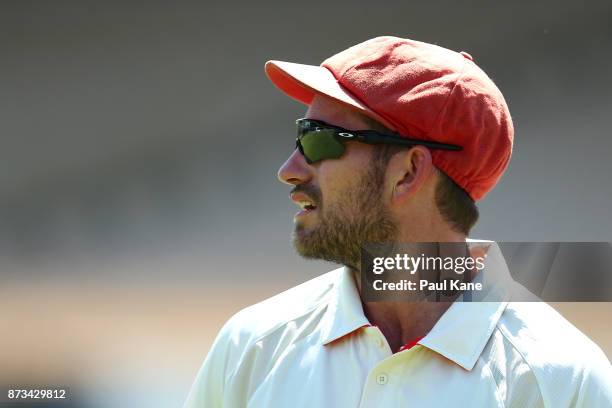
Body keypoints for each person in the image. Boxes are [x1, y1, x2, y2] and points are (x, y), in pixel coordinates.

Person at [184, 36, 611, 407]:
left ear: (408, 172)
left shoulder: (560, 380)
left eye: (319, 139)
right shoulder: (253, 345)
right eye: (300, 134)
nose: (290, 168)